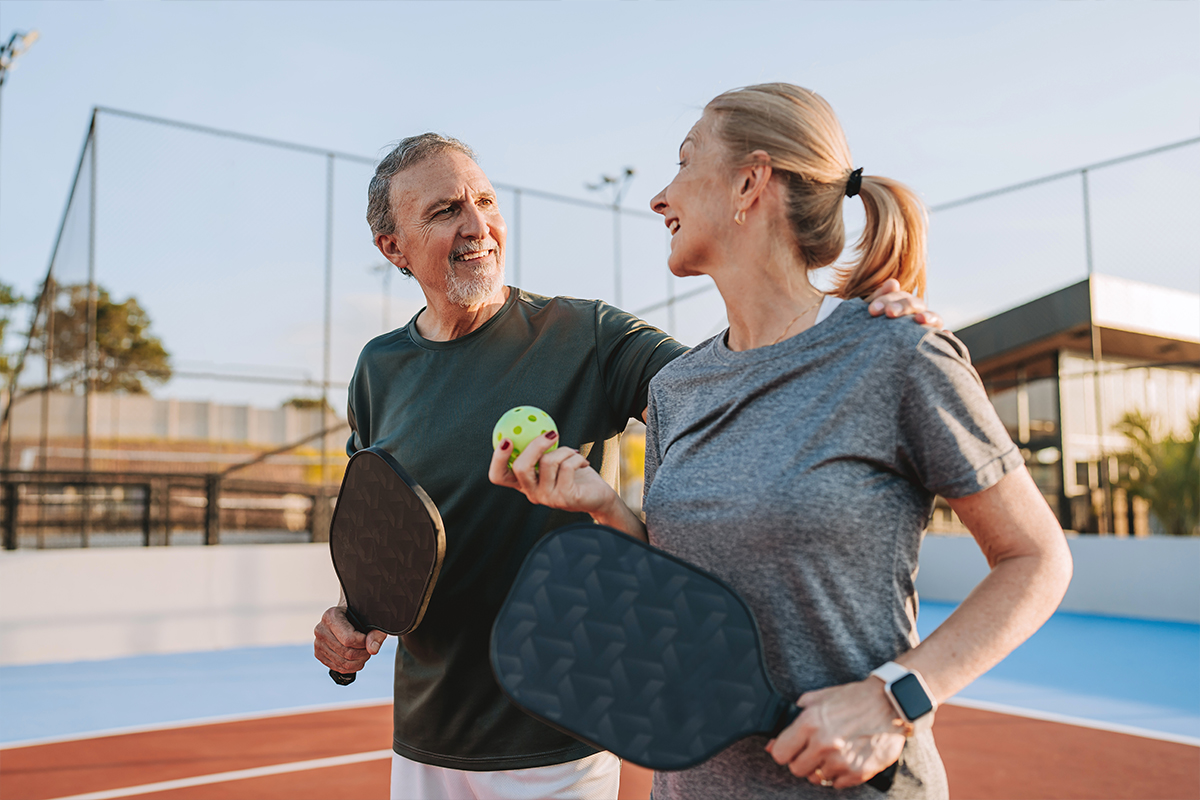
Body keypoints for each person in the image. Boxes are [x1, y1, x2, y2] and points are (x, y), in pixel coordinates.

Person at [313, 131, 939, 800]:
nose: (477, 227)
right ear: (393, 247)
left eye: (486, 201)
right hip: (424, 738)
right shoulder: (378, 370)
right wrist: (351, 617)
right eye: (445, 211)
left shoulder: (590, 336)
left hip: (565, 731)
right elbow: (384, 530)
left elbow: (735, 391)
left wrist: (847, 331)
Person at [490, 83, 1073, 800]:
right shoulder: (677, 389)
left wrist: (897, 699)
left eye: (683, 162)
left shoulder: (895, 355)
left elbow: (1037, 559)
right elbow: (687, 591)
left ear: (749, 182)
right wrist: (607, 509)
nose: (658, 197)